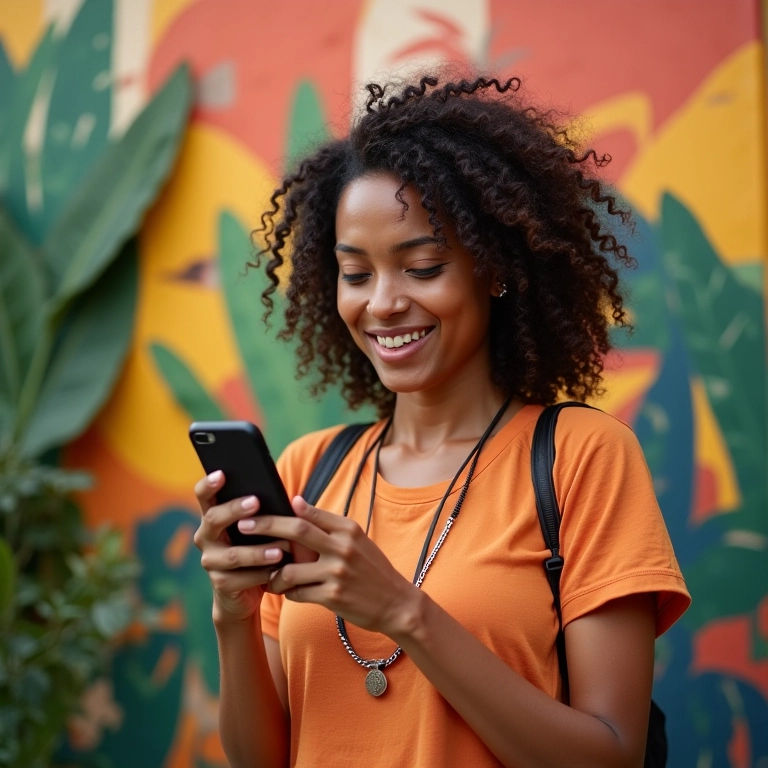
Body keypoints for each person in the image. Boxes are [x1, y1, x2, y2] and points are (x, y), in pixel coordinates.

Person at [193, 74, 690, 768]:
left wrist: (405, 613)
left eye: (422, 267)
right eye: (356, 273)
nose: (384, 303)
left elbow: (609, 755)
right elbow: (262, 759)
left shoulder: (581, 458)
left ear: (494, 270)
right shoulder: (311, 470)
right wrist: (233, 616)